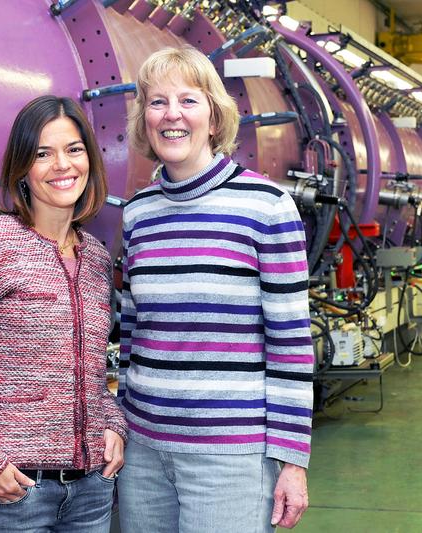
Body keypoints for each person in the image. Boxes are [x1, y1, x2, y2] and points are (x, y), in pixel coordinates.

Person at [116, 46, 313, 532]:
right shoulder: (137, 213)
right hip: (143, 452)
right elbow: (131, 334)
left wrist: (293, 460)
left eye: (188, 99)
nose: (172, 115)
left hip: (231, 457)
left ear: (214, 114)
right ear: (144, 119)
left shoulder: (267, 207)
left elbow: (291, 342)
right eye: (157, 102)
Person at [0, 95, 127, 533]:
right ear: (22, 168)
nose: (62, 165)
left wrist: (113, 424)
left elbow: (92, 367)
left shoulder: (94, 256)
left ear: (90, 159)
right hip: (15, 492)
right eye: (42, 153)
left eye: (74, 150)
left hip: (92, 492)